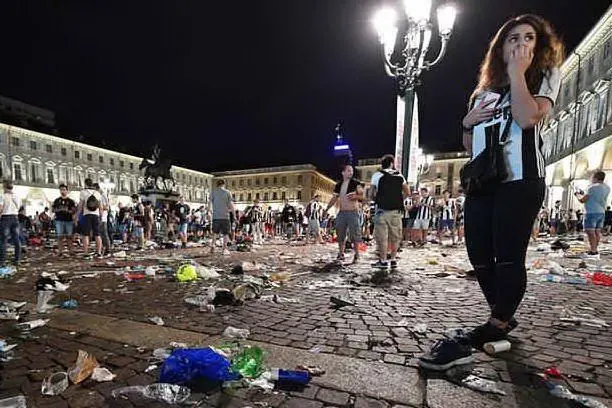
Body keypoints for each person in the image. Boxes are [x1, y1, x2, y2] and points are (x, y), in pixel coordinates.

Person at [420, 14, 564, 370]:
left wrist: (518, 74)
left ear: (539, 46)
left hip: (521, 178)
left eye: (529, 38)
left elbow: (529, 117)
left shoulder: (544, 77)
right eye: (512, 38)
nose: (520, 44)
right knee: (478, 254)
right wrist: (466, 123)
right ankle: (501, 313)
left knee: (508, 255)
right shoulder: (482, 92)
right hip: (484, 181)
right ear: (500, 48)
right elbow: (471, 144)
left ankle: (498, 322)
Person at [369, 154, 410, 270]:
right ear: (392, 164)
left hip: (381, 211)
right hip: (396, 212)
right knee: (395, 236)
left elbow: (370, 194)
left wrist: (377, 200)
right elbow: (408, 193)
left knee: (382, 237)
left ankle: (382, 261)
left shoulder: (377, 175)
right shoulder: (399, 175)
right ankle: (393, 259)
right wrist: (398, 199)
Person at [324, 164, 364, 263]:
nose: (351, 172)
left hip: (353, 212)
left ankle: (357, 254)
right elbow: (334, 198)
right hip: (342, 212)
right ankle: (341, 253)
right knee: (340, 233)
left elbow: (362, 196)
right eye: (349, 171)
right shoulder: (338, 185)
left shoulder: (356, 183)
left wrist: (356, 196)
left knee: (355, 235)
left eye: (352, 171)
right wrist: (326, 209)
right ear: (343, 172)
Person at [576, 171, 610, 257]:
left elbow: (583, 200)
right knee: (597, 232)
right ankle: (594, 249)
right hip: (601, 212)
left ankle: (593, 250)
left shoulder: (591, 187)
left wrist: (577, 195)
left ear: (595, 178)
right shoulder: (607, 187)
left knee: (590, 232)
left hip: (591, 212)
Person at [78, 178, 103, 257]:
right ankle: (98, 252)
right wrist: (101, 216)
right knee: (97, 234)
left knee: (86, 234)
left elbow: (80, 206)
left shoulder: (83, 192)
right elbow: (100, 206)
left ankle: (86, 252)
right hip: (96, 215)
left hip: (87, 214)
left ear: (85, 184)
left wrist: (77, 215)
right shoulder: (97, 193)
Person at [0, 180, 22, 266]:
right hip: (15, 218)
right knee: (16, 239)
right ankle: (17, 260)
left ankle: (2, 261)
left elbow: (1, 208)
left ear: (5, 187)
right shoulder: (17, 196)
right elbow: (19, 207)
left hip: (5, 218)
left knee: (3, 240)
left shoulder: (2, 196)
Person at [210, 180, 235, 255]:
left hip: (216, 216)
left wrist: (209, 212)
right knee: (225, 234)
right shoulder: (227, 192)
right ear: (224, 184)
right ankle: (224, 249)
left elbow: (209, 203)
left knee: (215, 232)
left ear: (217, 184)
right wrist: (234, 215)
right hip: (225, 216)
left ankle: (213, 245)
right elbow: (231, 205)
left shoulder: (213, 192)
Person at [52, 184, 76, 257]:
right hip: (59, 220)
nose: (62, 191)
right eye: (61, 190)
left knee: (69, 236)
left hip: (68, 220)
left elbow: (74, 211)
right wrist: (60, 209)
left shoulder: (71, 201)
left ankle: (71, 250)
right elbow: (53, 209)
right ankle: (60, 251)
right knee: (60, 236)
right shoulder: (57, 200)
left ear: (67, 191)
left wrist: (68, 211)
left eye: (64, 190)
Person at [95, 183, 111, 256]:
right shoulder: (97, 195)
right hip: (98, 216)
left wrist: (99, 207)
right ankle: (101, 249)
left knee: (103, 233)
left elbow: (107, 207)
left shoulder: (102, 195)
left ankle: (107, 249)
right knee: (99, 234)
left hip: (103, 217)